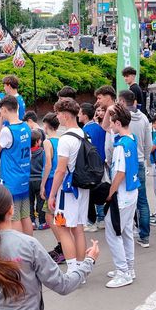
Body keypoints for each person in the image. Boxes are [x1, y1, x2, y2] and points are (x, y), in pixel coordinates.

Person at [48, 98, 91, 264]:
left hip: (67, 189)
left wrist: (52, 194)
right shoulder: (84, 134)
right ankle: (81, 266)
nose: (57, 117)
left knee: (62, 227)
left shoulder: (65, 139)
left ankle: (73, 268)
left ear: (65, 115)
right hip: (83, 186)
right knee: (78, 229)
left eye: (58, 114)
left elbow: (60, 170)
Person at [103, 104, 140, 288]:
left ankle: (123, 272)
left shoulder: (120, 146)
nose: (110, 125)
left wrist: (110, 194)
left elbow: (119, 173)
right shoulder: (131, 139)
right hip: (132, 192)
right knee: (126, 231)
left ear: (118, 123)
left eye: (112, 122)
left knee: (113, 232)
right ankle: (128, 268)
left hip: (122, 195)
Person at [0, 95, 34, 236]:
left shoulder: (7, 130)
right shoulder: (26, 126)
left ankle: (19, 245)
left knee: (14, 216)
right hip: (24, 175)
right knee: (25, 215)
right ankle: (29, 243)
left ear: (4, 110)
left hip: (11, 178)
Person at [121, 90, 154, 248]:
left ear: (122, 101)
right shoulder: (144, 118)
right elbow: (149, 143)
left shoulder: (121, 118)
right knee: (142, 200)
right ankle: (144, 236)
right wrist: (145, 159)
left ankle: (126, 231)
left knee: (124, 197)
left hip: (124, 161)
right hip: (139, 161)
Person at [40, 113, 66, 264]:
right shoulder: (61, 140)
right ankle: (63, 244)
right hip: (60, 179)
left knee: (50, 215)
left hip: (51, 179)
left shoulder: (47, 142)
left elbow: (48, 164)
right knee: (56, 213)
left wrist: (42, 184)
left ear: (46, 125)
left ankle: (62, 244)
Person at [80, 102, 106, 232]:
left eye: (80, 113)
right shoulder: (99, 127)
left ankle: (91, 221)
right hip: (101, 163)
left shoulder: (85, 131)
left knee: (89, 194)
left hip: (91, 166)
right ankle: (101, 218)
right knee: (99, 191)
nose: (78, 115)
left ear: (85, 115)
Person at [25, 112, 48, 231]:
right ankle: (42, 222)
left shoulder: (26, 153)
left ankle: (32, 222)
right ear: (38, 141)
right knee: (41, 201)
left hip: (28, 180)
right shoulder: (42, 152)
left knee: (29, 202)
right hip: (39, 179)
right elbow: (45, 165)